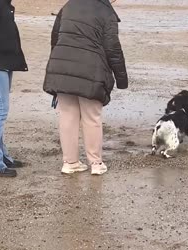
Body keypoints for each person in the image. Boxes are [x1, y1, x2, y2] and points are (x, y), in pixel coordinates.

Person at [43, 0, 128, 175]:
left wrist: (58, 64)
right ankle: (96, 164)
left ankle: (70, 162)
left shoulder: (68, 5)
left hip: (62, 66)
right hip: (92, 69)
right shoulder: (105, 11)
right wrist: (122, 79)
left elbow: (55, 38)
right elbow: (112, 48)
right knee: (92, 117)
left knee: (67, 116)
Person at [0, 0, 28, 177]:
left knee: (1, 112)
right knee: (0, 111)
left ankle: (4, 157)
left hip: (6, 62)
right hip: (1, 63)